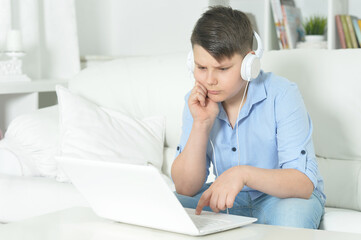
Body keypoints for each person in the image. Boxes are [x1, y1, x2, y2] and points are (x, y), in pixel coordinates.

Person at [171, 6, 325, 229]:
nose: (209, 80)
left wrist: (243, 174)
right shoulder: (196, 101)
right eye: (201, 67)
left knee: (292, 217)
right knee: (168, 208)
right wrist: (201, 123)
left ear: (249, 65)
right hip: (229, 199)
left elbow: (303, 184)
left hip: (283, 199)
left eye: (222, 69)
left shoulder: (282, 94)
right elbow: (185, 187)